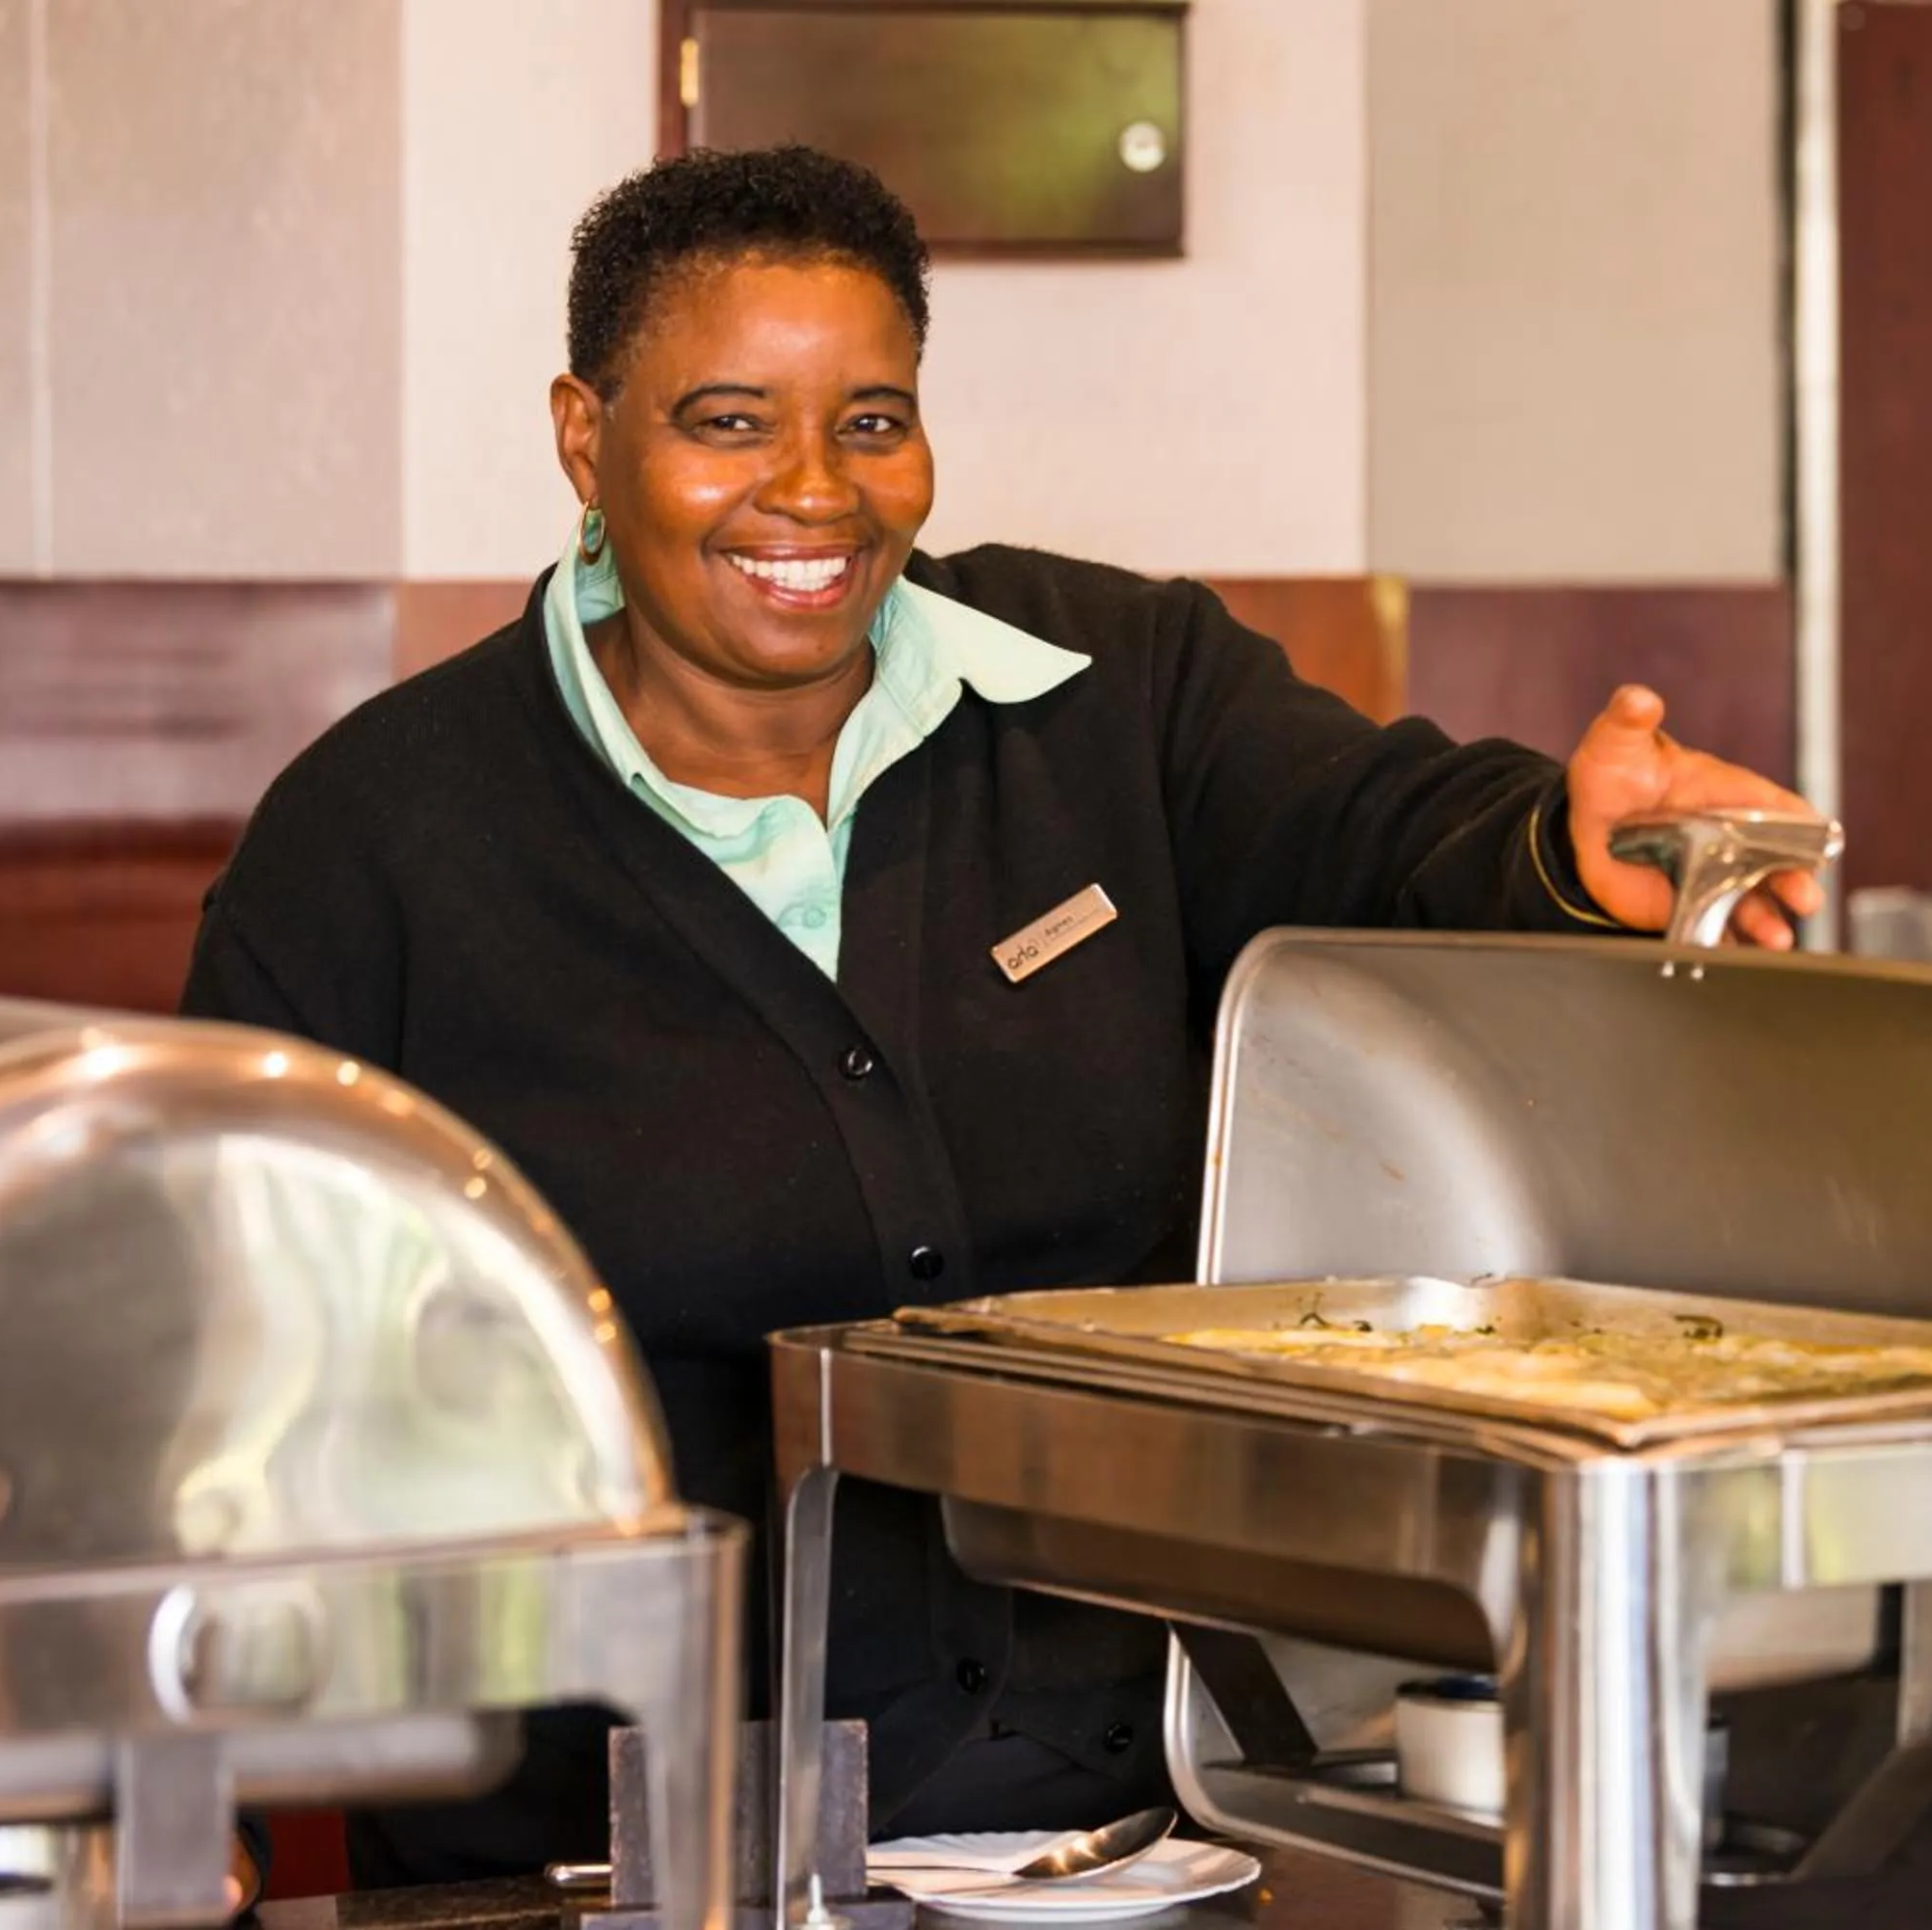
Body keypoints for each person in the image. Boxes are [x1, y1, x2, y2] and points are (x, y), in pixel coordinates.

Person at [182, 144, 1824, 1885]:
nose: (812, 492)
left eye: (871, 421)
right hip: (608, 1861)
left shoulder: (1109, 695)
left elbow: (1386, 829)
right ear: (588, 437)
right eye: (729, 422)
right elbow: (208, 1366)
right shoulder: (378, 844)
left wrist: (1568, 844)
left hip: (1145, 1839)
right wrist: (176, 1803)